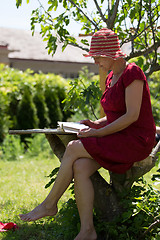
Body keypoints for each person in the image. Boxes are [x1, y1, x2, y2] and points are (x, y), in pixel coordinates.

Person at [19, 28, 156, 240]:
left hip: (136, 140)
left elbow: (131, 116)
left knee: (73, 147)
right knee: (80, 166)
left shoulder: (132, 73)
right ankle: (87, 231)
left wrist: (98, 134)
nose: (95, 62)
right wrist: (94, 123)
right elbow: (114, 116)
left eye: (97, 57)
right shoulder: (111, 76)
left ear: (110, 54)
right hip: (119, 136)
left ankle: (49, 205)